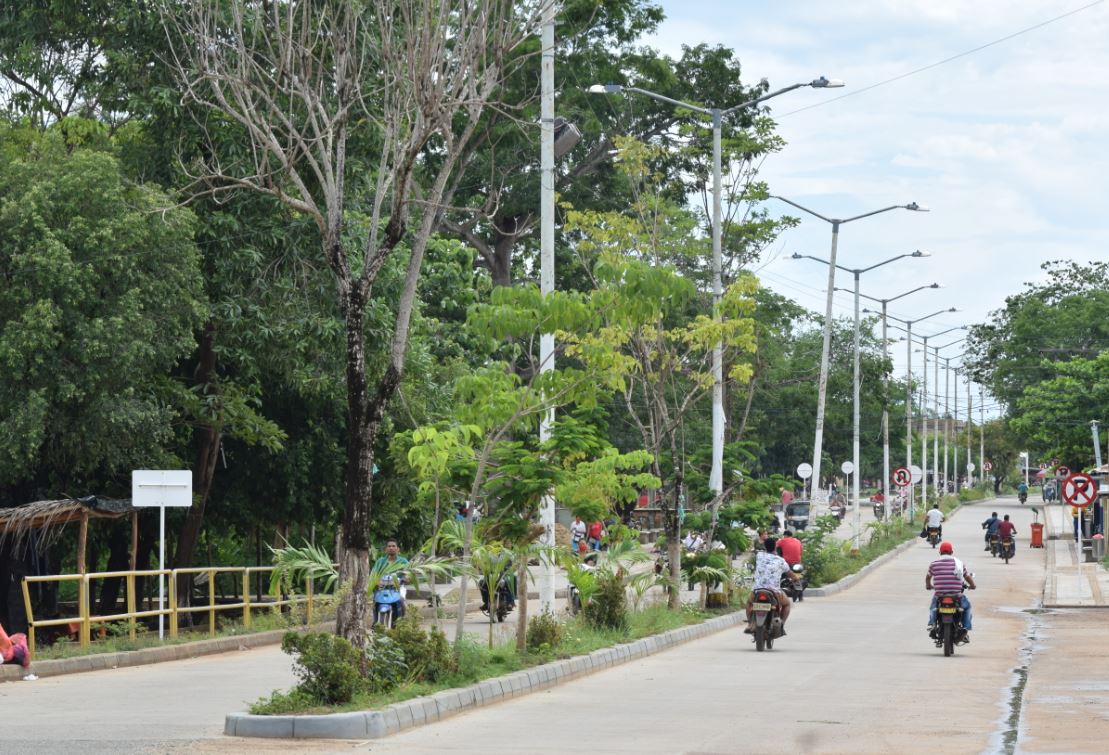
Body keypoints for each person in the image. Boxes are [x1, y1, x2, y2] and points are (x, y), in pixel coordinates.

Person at [745, 537, 798, 634]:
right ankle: (780, 625)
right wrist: (796, 579)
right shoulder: (781, 561)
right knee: (787, 605)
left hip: (757, 590)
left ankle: (750, 623)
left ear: (765, 547)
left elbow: (752, 554)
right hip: (774, 592)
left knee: (749, 604)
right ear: (775, 546)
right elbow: (790, 573)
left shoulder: (759, 556)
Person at [926, 541, 976, 635]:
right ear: (951, 552)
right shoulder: (959, 563)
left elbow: (928, 577)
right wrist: (973, 585)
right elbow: (967, 576)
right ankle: (966, 626)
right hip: (956, 595)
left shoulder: (934, 564)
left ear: (940, 552)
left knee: (933, 607)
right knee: (967, 607)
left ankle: (932, 624)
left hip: (939, 594)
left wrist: (928, 585)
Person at [373, 539, 409, 618]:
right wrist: (377, 582)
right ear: (386, 549)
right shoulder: (380, 562)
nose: (391, 548)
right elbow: (374, 574)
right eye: (389, 546)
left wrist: (405, 578)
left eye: (393, 546)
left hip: (398, 587)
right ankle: (375, 622)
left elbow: (408, 574)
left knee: (402, 600)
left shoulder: (403, 561)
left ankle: (403, 621)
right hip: (382, 588)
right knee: (375, 602)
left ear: (397, 549)